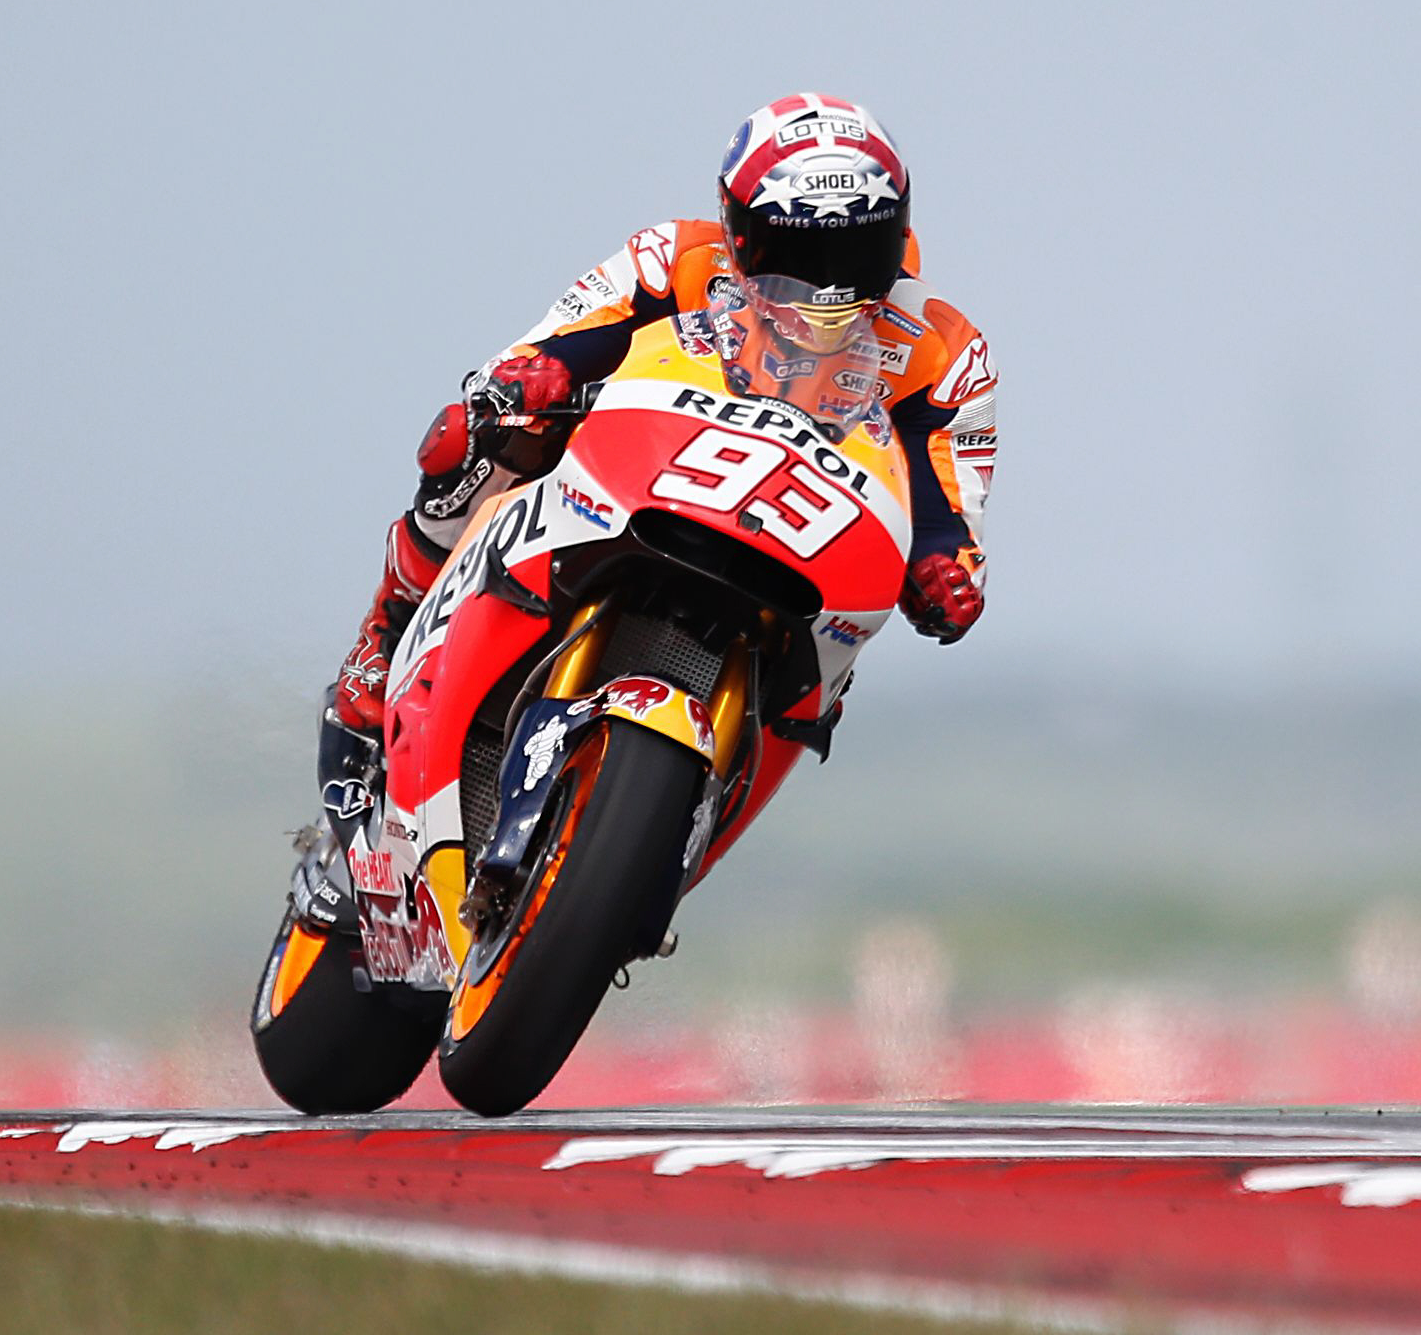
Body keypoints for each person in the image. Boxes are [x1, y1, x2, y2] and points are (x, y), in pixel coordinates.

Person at [315, 91, 997, 814]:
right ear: (737, 231)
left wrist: (944, 568)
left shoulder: (944, 348)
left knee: (843, 653)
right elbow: (561, 339)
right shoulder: (675, 257)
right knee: (473, 433)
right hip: (643, 472)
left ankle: (655, 857)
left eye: (856, 252)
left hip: (805, 540)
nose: (825, 287)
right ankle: (384, 638)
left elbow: (953, 503)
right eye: (795, 254)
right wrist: (540, 373)